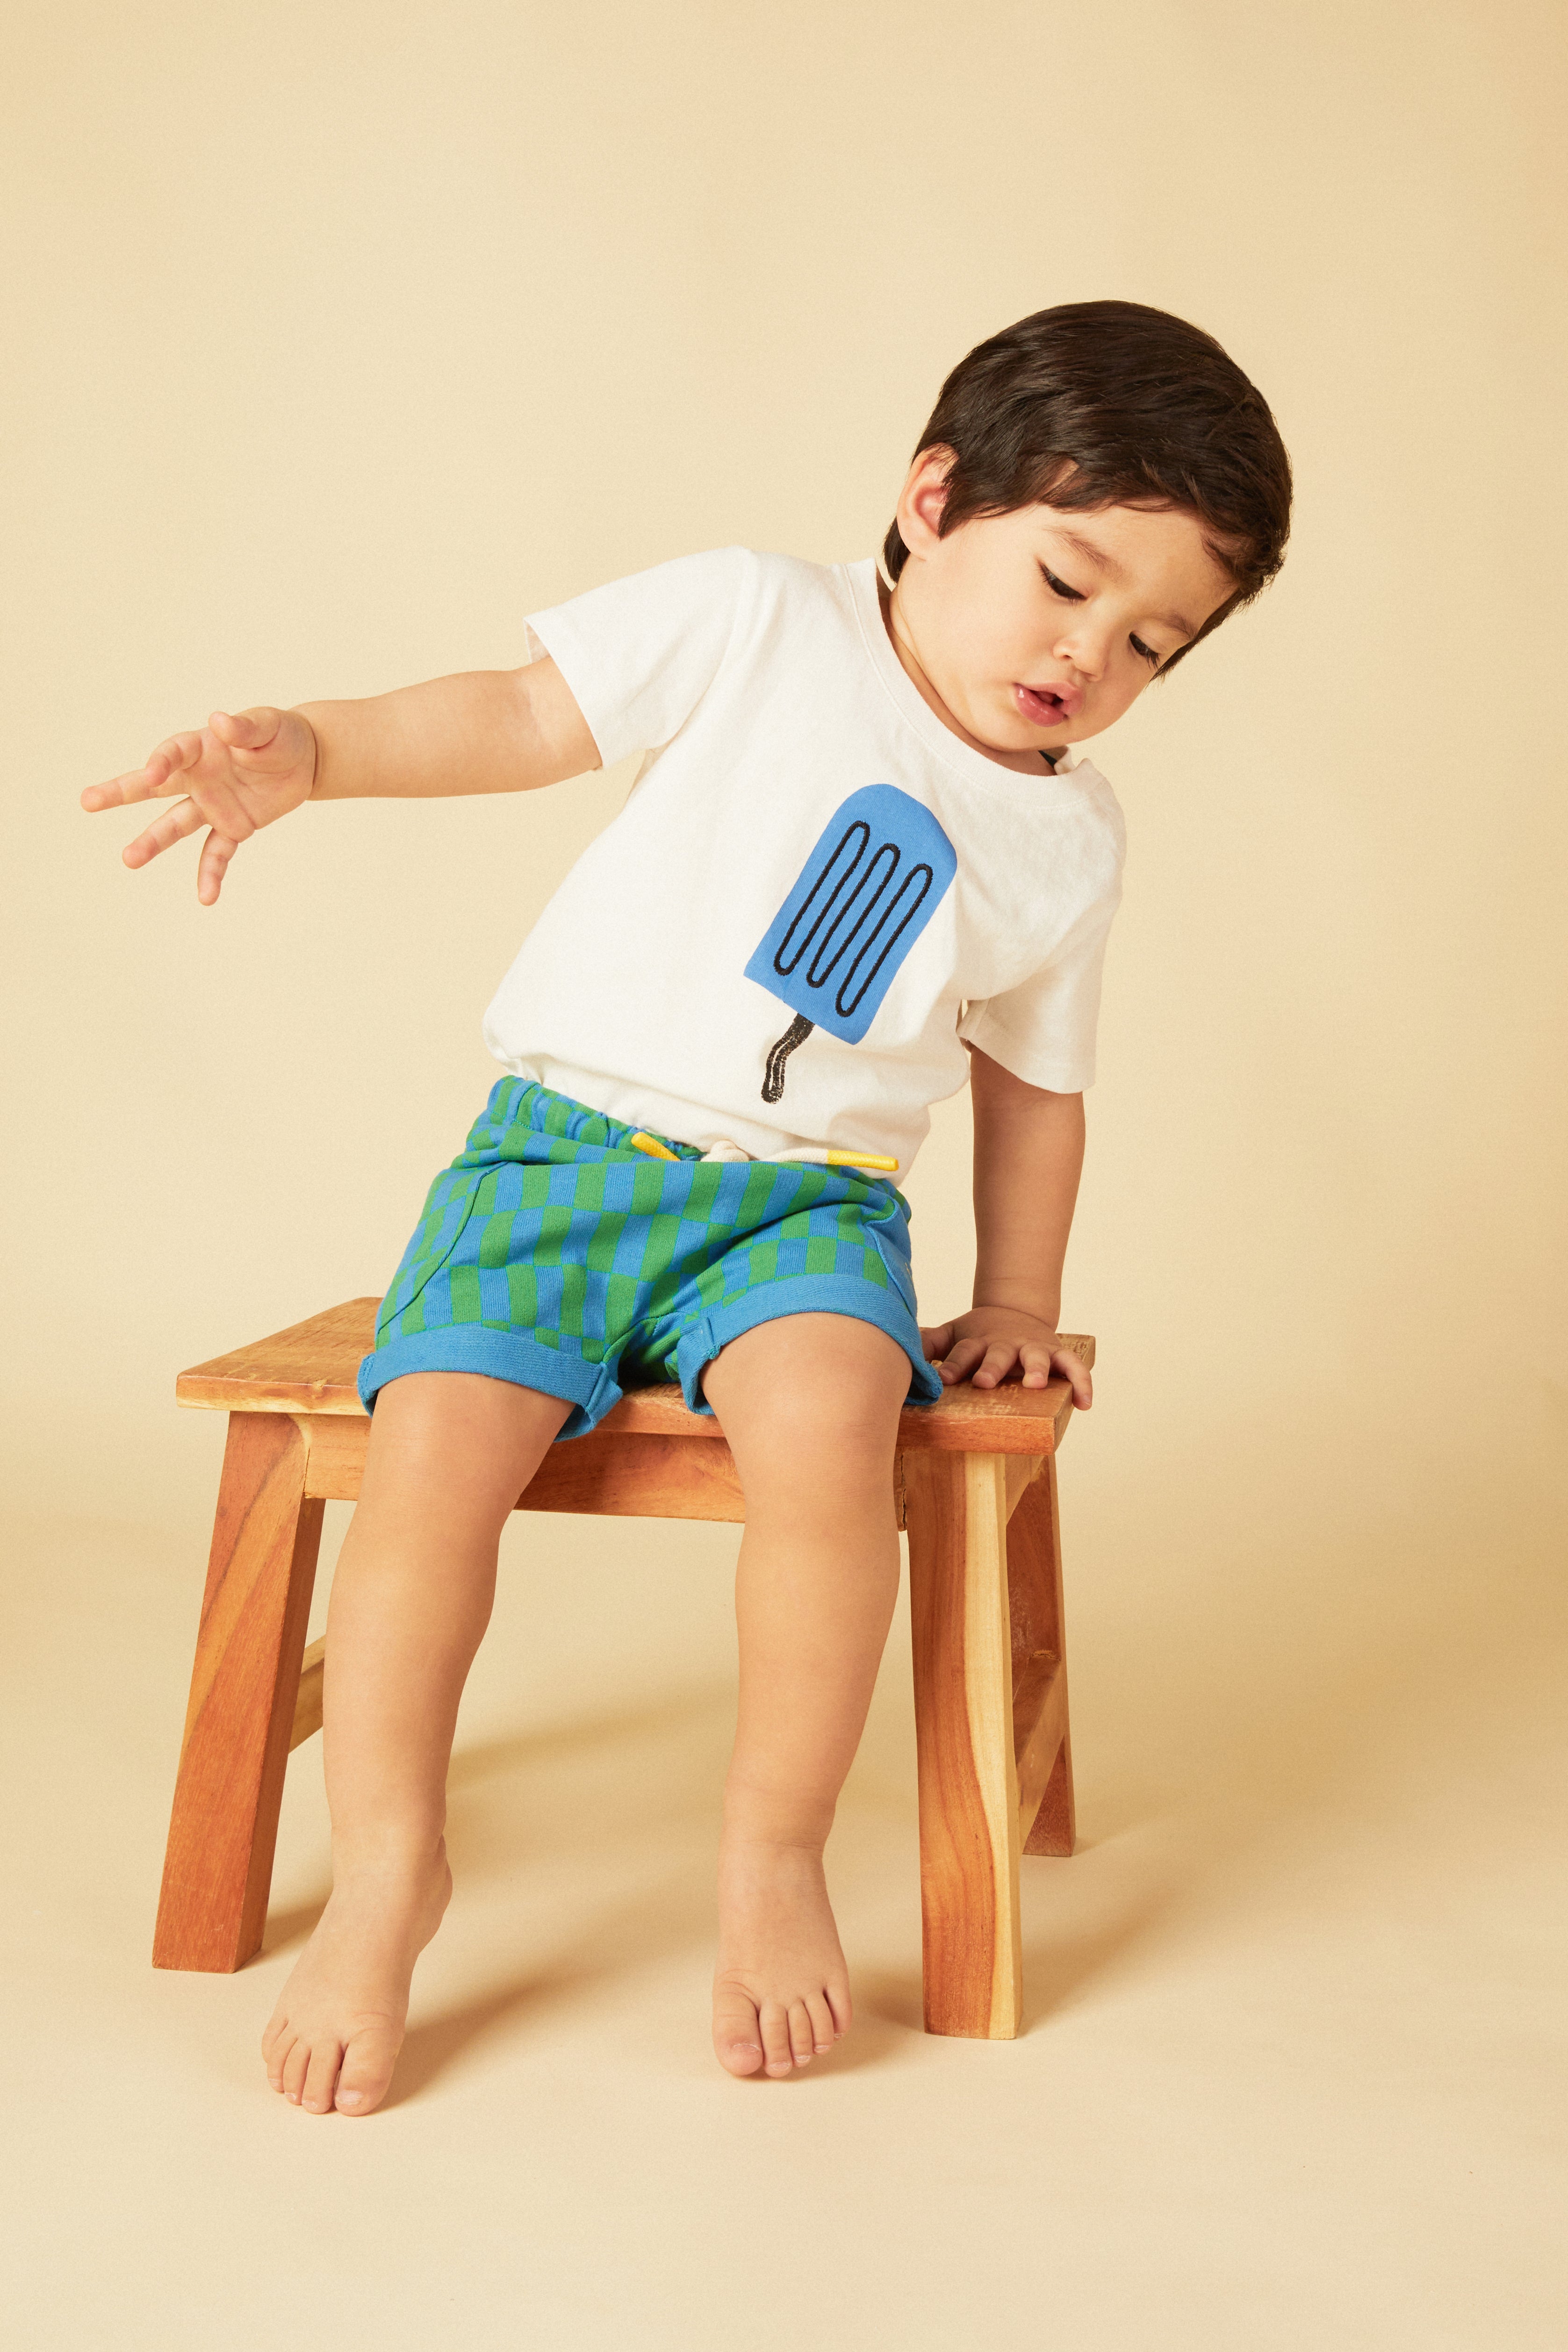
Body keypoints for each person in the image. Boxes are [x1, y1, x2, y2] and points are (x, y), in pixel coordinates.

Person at [84, 300, 1291, 2115]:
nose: (1083, 654)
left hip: (806, 1211)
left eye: (1147, 643)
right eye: (1059, 581)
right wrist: (315, 749)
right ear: (931, 497)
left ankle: (772, 1847)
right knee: (434, 1451)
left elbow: (1033, 1083)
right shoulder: (759, 618)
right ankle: (394, 1863)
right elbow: (511, 712)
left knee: (828, 1440)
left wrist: (1017, 1288)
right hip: (558, 1157)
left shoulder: (1065, 832)